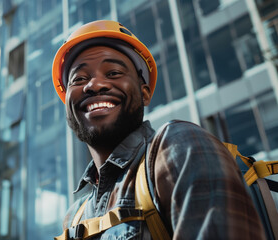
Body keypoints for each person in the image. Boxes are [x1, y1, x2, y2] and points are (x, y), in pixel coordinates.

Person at [51, 20, 265, 239]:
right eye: (79, 79)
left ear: (144, 94)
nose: (94, 85)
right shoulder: (73, 218)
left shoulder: (178, 146)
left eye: (114, 73)